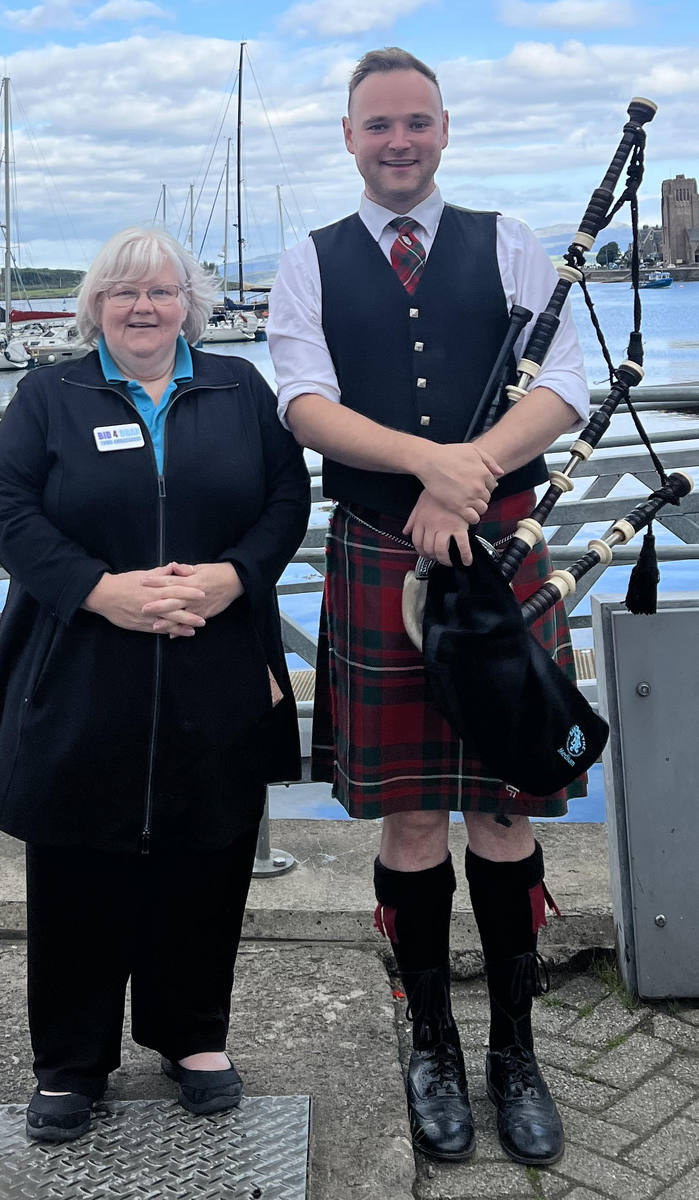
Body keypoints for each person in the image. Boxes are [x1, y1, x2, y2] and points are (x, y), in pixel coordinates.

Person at [267, 48, 590, 1168]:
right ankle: (432, 1047)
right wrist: (429, 469)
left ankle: (515, 1052)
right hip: (375, 552)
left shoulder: (508, 240)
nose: (397, 143)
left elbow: (566, 382)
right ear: (347, 139)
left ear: (442, 130)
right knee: (411, 822)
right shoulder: (306, 262)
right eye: (376, 127)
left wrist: (472, 473)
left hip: (500, 557)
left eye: (415, 123)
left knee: (504, 815)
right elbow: (303, 402)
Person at [0, 227, 310, 1144]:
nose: (143, 308)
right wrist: (100, 591)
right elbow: (6, 508)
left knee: (208, 847)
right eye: (123, 294)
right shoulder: (50, 393)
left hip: (217, 647)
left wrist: (233, 577)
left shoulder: (240, 388)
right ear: (95, 308)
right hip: (84, 656)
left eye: (160, 291)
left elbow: (286, 500)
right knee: (76, 857)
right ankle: (70, 1062)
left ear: (189, 303)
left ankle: (192, 1036)